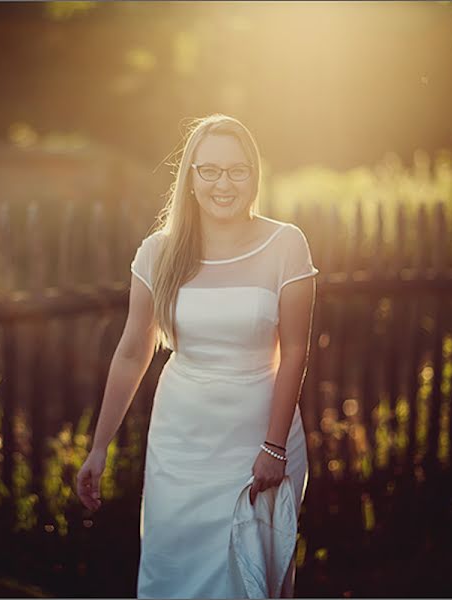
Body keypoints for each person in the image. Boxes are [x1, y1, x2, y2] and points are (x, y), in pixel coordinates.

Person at [76, 114, 317, 598]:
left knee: (247, 575)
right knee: (175, 572)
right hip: (180, 442)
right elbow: (131, 351)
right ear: (189, 176)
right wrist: (99, 446)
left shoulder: (286, 244)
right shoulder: (158, 253)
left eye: (237, 170)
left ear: (254, 174)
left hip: (256, 440)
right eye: (209, 170)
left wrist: (273, 447)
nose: (222, 184)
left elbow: (294, 352)